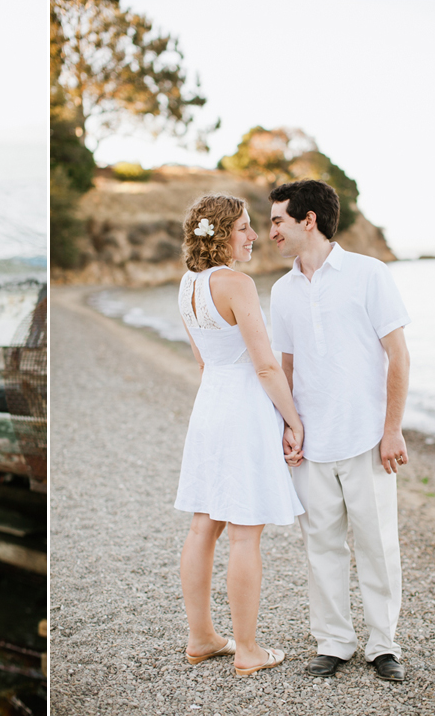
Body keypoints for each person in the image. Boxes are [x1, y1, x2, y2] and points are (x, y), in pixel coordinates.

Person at [268, 179, 411, 682]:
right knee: (321, 546)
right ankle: (333, 642)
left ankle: (383, 645)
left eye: (279, 220)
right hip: (311, 443)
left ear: (309, 220)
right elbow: (284, 368)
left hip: (367, 437)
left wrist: (392, 429)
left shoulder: (369, 274)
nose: (272, 232)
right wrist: (289, 426)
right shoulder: (281, 291)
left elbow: (398, 356)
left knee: (377, 544)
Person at [175, 194, 305, 676]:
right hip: (243, 411)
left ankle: (201, 637)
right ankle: (248, 650)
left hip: (210, 405)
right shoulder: (236, 283)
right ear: (222, 234)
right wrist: (293, 420)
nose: (253, 237)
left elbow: (204, 360)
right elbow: (266, 364)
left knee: (202, 525)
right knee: (245, 534)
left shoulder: (188, 285)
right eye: (245, 228)